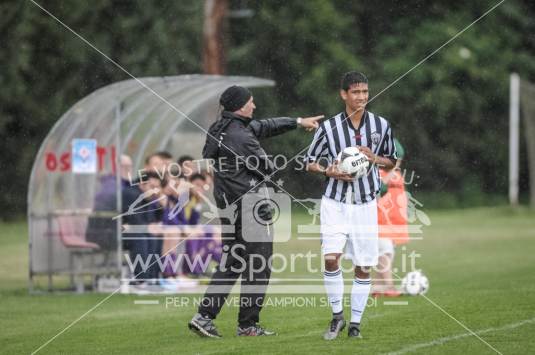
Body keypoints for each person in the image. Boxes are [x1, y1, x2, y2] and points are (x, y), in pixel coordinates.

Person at [188, 85, 323, 338]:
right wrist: (305, 163)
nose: (255, 106)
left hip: (228, 207)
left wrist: (297, 122)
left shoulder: (222, 128)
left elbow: (266, 126)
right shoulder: (242, 137)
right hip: (250, 206)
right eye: (251, 102)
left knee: (231, 261)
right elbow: (268, 167)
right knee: (259, 265)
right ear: (240, 106)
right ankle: (248, 325)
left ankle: (204, 317)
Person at [305, 71, 397, 340]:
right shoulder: (328, 128)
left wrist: (375, 158)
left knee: (363, 265)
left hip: (365, 204)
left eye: (365, 92)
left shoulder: (381, 126)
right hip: (335, 203)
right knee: (331, 258)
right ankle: (337, 317)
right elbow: (310, 161)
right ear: (343, 94)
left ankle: (355, 323)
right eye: (356, 92)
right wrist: (328, 171)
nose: (362, 97)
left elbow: (391, 160)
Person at [373, 138, 408, 297]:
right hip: (380, 219)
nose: (397, 163)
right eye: (395, 160)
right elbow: (379, 188)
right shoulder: (376, 172)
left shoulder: (395, 173)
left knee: (388, 253)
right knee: (385, 252)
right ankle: (390, 286)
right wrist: (392, 172)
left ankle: (377, 287)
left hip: (393, 221)